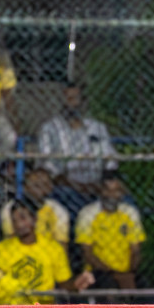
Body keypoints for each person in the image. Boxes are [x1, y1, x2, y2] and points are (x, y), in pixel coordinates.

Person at [0, 199, 93, 305]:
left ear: (34, 218)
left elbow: (64, 283)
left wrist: (76, 284)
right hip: (11, 307)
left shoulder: (53, 248)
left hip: (42, 307)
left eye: (23, 218)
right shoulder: (3, 248)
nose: (19, 225)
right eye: (14, 221)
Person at [35, 84, 117, 212]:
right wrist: (76, 186)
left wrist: (101, 185)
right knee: (67, 197)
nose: (71, 104)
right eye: (67, 98)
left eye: (75, 98)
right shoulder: (49, 129)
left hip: (97, 185)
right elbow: (48, 167)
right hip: (66, 185)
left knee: (124, 199)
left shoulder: (97, 128)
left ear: (82, 102)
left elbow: (110, 162)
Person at [73, 174, 144, 292]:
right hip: (98, 272)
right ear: (100, 191)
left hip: (127, 271)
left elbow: (136, 251)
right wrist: (114, 275)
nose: (112, 195)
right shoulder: (87, 214)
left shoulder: (130, 213)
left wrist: (130, 273)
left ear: (122, 192)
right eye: (107, 190)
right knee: (110, 289)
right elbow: (88, 254)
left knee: (150, 293)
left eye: (116, 190)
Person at [1, 168, 72, 258]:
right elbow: (10, 241)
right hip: (18, 255)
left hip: (48, 257)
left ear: (50, 188)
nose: (41, 189)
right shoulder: (10, 209)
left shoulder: (58, 211)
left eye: (45, 185)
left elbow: (62, 245)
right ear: (25, 187)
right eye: (36, 185)